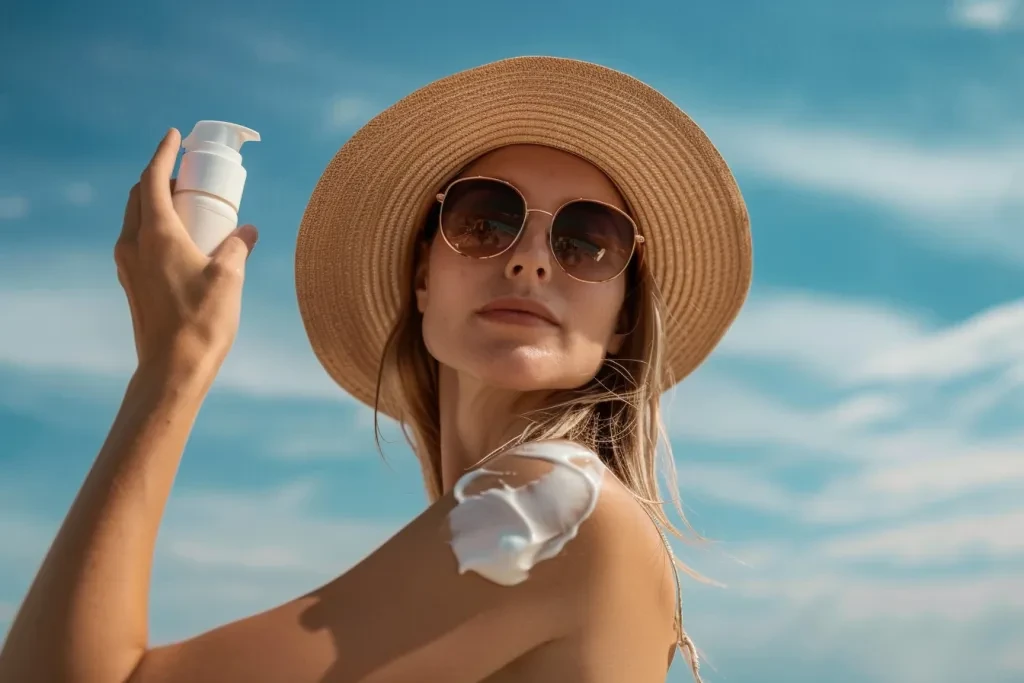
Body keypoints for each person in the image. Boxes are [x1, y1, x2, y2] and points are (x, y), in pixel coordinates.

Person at [0, 57, 751, 683]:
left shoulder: (555, 505)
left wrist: (173, 365)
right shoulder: (533, 523)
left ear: (623, 313)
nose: (529, 258)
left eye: (589, 240)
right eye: (485, 219)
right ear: (422, 276)